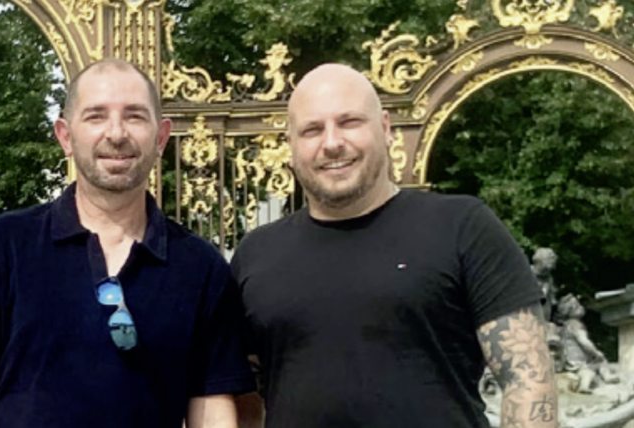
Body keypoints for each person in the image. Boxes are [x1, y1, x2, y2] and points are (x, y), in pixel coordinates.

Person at [0, 59, 255, 428]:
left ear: (161, 137)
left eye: (134, 116)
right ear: (65, 136)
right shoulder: (3, 246)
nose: (116, 133)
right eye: (96, 116)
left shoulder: (201, 267)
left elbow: (211, 408)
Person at [231, 63, 557, 428]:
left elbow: (527, 378)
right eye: (312, 130)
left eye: (350, 122)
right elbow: (241, 401)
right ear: (290, 146)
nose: (332, 143)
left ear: (385, 128)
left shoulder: (463, 227)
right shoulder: (255, 256)